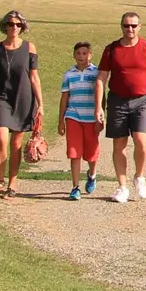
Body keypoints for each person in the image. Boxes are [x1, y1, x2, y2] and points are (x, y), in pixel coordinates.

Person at [96, 10, 146, 203]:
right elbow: (101, 78)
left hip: (141, 101)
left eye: (134, 25)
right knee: (119, 144)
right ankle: (122, 186)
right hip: (117, 101)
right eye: (126, 25)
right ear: (122, 26)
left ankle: (139, 176)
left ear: (139, 27)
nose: (130, 29)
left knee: (141, 142)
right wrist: (99, 107)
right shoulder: (112, 49)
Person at [0, 10, 43, 199]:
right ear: (4, 26)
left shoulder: (30, 48)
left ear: (22, 27)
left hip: (24, 99)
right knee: (1, 140)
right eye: (10, 24)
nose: (14, 27)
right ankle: (0, 180)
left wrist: (41, 104)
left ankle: (12, 183)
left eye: (18, 25)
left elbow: (34, 77)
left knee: (16, 144)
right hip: (2, 99)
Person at [56, 40, 103, 200]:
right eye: (78, 53)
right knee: (74, 152)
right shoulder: (69, 75)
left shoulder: (96, 73)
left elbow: (101, 96)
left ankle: (92, 174)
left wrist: (101, 116)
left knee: (91, 153)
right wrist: (61, 120)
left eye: (85, 53)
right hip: (73, 116)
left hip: (91, 117)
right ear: (74, 55)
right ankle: (75, 187)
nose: (81, 56)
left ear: (90, 55)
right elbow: (64, 97)